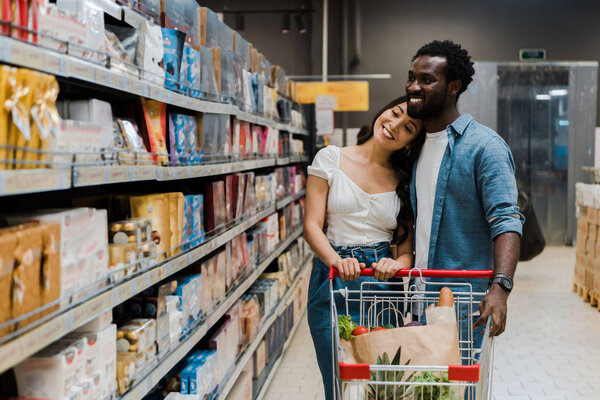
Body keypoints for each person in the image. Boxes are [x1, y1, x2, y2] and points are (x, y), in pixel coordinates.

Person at [304, 96, 425, 399]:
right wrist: (335, 260)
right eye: (394, 113)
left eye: (407, 127)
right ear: (383, 111)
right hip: (332, 280)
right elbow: (311, 226)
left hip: (381, 285)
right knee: (339, 382)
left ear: (411, 142)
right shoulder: (330, 158)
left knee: (379, 387)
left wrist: (399, 264)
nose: (394, 125)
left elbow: (406, 248)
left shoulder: (404, 180)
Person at [405, 40, 524, 349]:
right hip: (415, 300)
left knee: (459, 393)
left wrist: (501, 288)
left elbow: (506, 220)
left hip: (461, 304)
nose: (413, 87)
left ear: (453, 87)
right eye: (411, 77)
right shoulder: (413, 147)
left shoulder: (485, 147)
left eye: (427, 80)